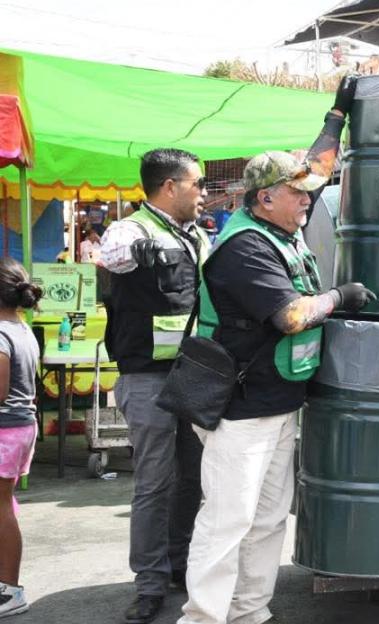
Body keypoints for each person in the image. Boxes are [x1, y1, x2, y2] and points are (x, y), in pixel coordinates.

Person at [179, 76, 376, 624]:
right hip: (239, 412)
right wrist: (339, 296)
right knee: (228, 520)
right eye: (297, 193)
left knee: (266, 521)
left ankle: (249, 612)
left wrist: (336, 115)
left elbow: (317, 165)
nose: (308, 197)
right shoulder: (245, 247)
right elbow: (291, 316)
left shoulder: (280, 228)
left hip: (277, 401)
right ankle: (202, 618)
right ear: (265, 198)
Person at [99, 147, 210, 624]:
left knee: (193, 479)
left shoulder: (198, 237)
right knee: (154, 484)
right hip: (147, 379)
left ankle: (178, 564)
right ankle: (148, 583)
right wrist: (142, 252)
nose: (203, 193)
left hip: (194, 376)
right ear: (170, 187)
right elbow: (113, 254)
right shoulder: (131, 229)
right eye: (198, 184)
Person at [0, 260, 41, 620]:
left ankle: (10, 590)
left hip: (6, 430)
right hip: (20, 427)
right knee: (4, 505)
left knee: (1, 509)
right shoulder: (22, 328)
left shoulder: (1, 334)